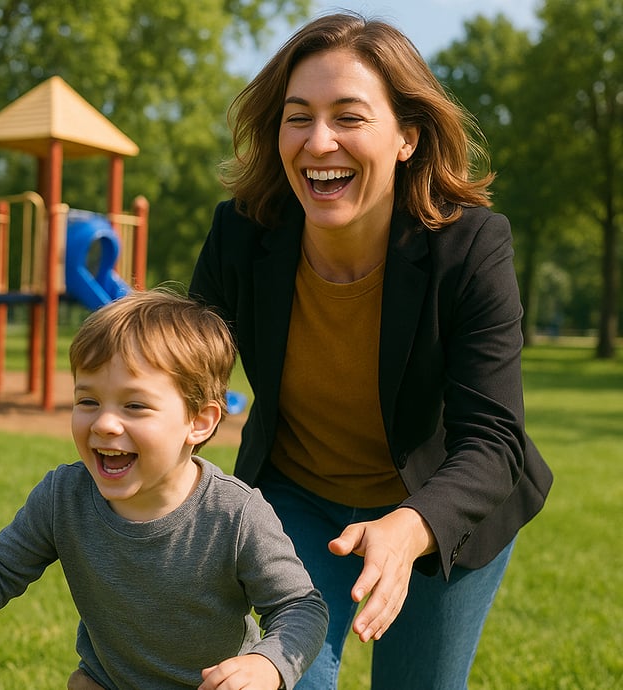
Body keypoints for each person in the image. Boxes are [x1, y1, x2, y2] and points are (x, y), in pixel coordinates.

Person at [189, 12, 553, 690]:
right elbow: (179, 366)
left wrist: (412, 525)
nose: (318, 141)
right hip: (297, 501)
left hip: (440, 511)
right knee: (283, 680)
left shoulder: (471, 248)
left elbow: (496, 440)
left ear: (406, 138)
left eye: (349, 118)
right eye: (298, 117)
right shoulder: (243, 232)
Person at [0, 289, 328, 690]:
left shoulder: (235, 514)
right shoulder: (63, 496)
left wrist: (266, 665)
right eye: (88, 400)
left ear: (199, 421)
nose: (105, 423)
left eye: (134, 405)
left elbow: (300, 607)